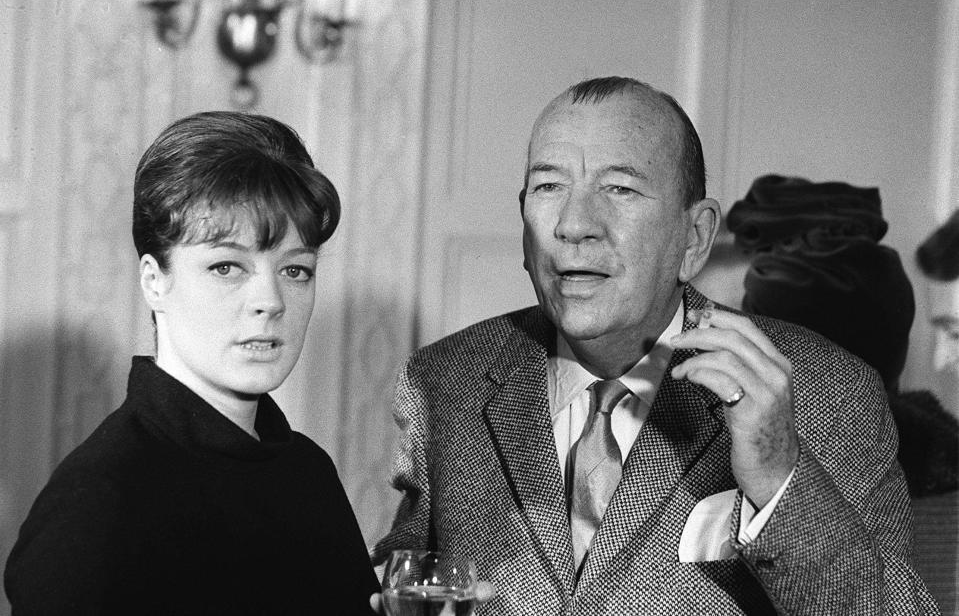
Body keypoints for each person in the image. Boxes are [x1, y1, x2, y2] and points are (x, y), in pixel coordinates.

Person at [373, 77, 939, 614]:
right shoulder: (446, 380)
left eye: (619, 188)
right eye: (549, 186)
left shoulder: (825, 390)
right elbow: (404, 578)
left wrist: (777, 477)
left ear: (694, 238)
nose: (574, 224)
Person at [5, 111, 378, 615]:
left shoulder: (306, 471)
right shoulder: (98, 502)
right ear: (154, 280)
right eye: (227, 266)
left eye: (296, 270)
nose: (271, 301)